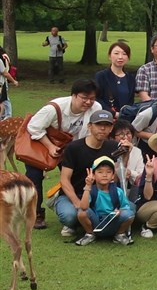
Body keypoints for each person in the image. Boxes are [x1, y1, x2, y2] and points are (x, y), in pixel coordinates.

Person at [24, 79, 103, 229]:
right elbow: (33, 127)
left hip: (71, 147)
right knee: (34, 178)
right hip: (41, 144)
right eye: (84, 98)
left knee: (79, 175)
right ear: (73, 95)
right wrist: (50, 145)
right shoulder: (54, 108)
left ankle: (75, 203)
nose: (88, 102)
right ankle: (35, 214)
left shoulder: (95, 108)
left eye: (92, 98)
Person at [52, 109, 119, 238]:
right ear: (89, 126)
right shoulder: (74, 148)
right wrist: (76, 202)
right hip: (73, 194)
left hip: (100, 196)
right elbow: (64, 180)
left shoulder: (113, 147)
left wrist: (125, 157)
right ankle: (70, 218)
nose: (103, 128)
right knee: (70, 216)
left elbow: (114, 178)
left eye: (107, 125)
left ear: (111, 128)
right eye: (99, 124)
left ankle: (86, 222)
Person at [73, 155, 135, 246]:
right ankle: (90, 234)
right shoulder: (91, 190)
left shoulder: (118, 191)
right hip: (96, 222)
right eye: (100, 172)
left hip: (112, 221)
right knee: (81, 213)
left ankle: (119, 234)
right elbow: (83, 207)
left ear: (113, 176)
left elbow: (125, 207)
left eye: (109, 172)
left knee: (129, 214)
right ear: (93, 175)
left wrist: (119, 212)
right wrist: (88, 186)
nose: (104, 175)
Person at [94, 40, 135, 114]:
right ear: (109, 56)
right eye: (116, 53)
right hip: (106, 117)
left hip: (125, 119)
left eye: (124, 54)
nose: (120, 57)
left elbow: (130, 102)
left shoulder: (130, 78)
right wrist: (113, 113)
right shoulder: (101, 76)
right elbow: (97, 98)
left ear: (128, 57)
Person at [110, 120, 144, 198]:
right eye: (121, 134)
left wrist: (130, 173)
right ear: (113, 138)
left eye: (128, 133)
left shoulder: (137, 151)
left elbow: (140, 174)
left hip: (131, 189)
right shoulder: (110, 151)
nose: (125, 137)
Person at [0, 43, 17, 119]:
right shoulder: (4, 57)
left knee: (4, 99)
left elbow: (5, 72)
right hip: (3, 80)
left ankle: (7, 115)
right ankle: (6, 115)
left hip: (2, 81)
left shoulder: (2, 58)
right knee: (4, 99)